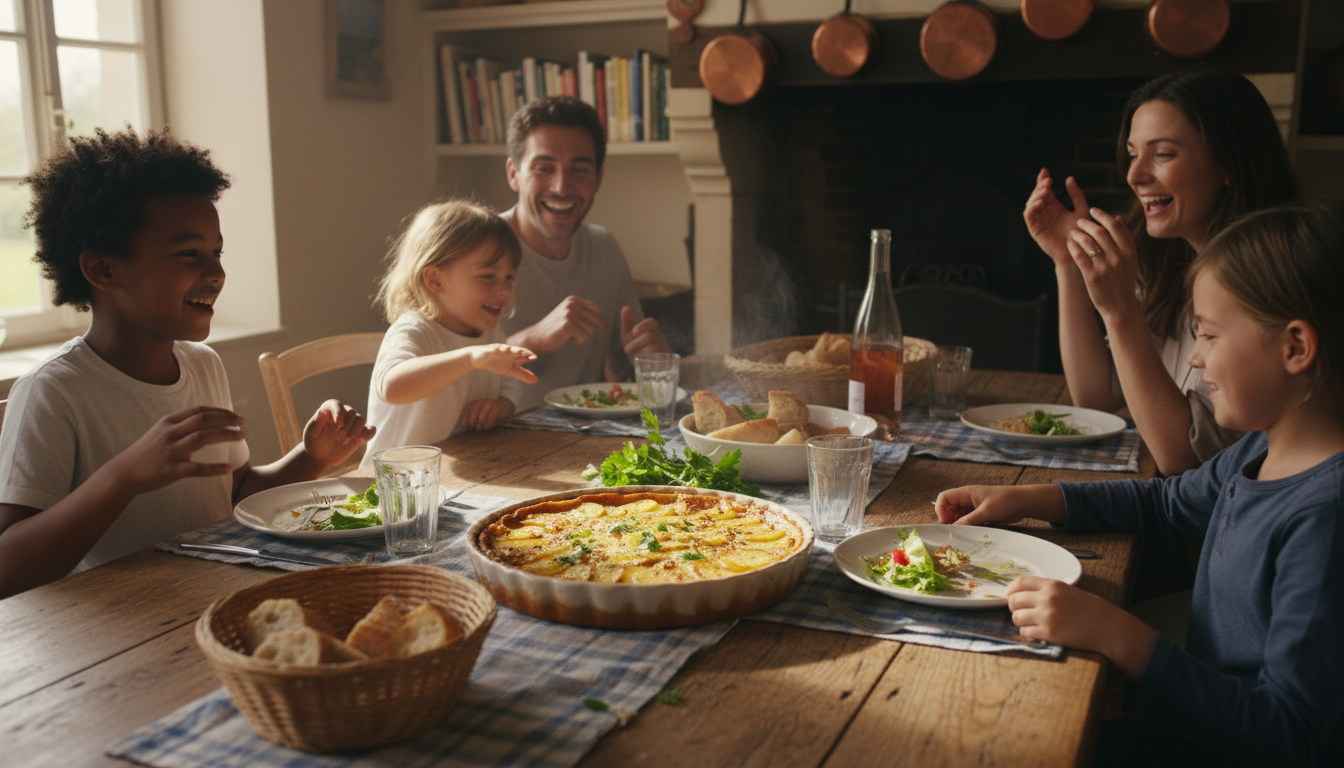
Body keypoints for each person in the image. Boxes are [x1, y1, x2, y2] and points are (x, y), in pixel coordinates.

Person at [935, 201, 1344, 766]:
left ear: (1295, 347)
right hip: (1197, 722)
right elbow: (1170, 503)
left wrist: (1114, 631)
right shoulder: (1262, 447)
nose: (1195, 358)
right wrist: (1031, 498)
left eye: (1209, 335)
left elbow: (1286, 735)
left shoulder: (1325, 518)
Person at [0, 128, 375, 599]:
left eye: (216, 252)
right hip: (116, 627)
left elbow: (233, 493)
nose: (216, 273)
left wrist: (312, 458)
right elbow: (8, 569)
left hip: (209, 598)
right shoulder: (53, 393)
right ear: (103, 269)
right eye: (188, 254)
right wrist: (123, 476)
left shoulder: (203, 365)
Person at [1025, 69, 1299, 476]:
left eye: (1164, 154)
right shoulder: (1166, 264)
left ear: (1229, 162)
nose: (1134, 176)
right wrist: (1067, 261)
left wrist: (1121, 309)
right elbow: (1097, 398)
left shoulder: (1270, 283)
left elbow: (1181, 458)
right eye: (1133, 153)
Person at [498, 95, 670, 411]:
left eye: (579, 169)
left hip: (587, 431)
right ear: (513, 174)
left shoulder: (605, 248)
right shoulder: (475, 248)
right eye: (544, 168)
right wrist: (535, 339)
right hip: (498, 435)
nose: (562, 187)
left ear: (598, 179)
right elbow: (446, 373)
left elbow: (618, 374)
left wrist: (640, 356)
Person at [361, 200, 537, 465]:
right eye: (488, 276)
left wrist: (502, 404)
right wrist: (470, 359)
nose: (504, 290)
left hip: (457, 473)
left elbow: (508, 379)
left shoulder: (489, 331)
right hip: (394, 482)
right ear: (436, 280)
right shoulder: (414, 329)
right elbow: (392, 387)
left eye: (509, 277)